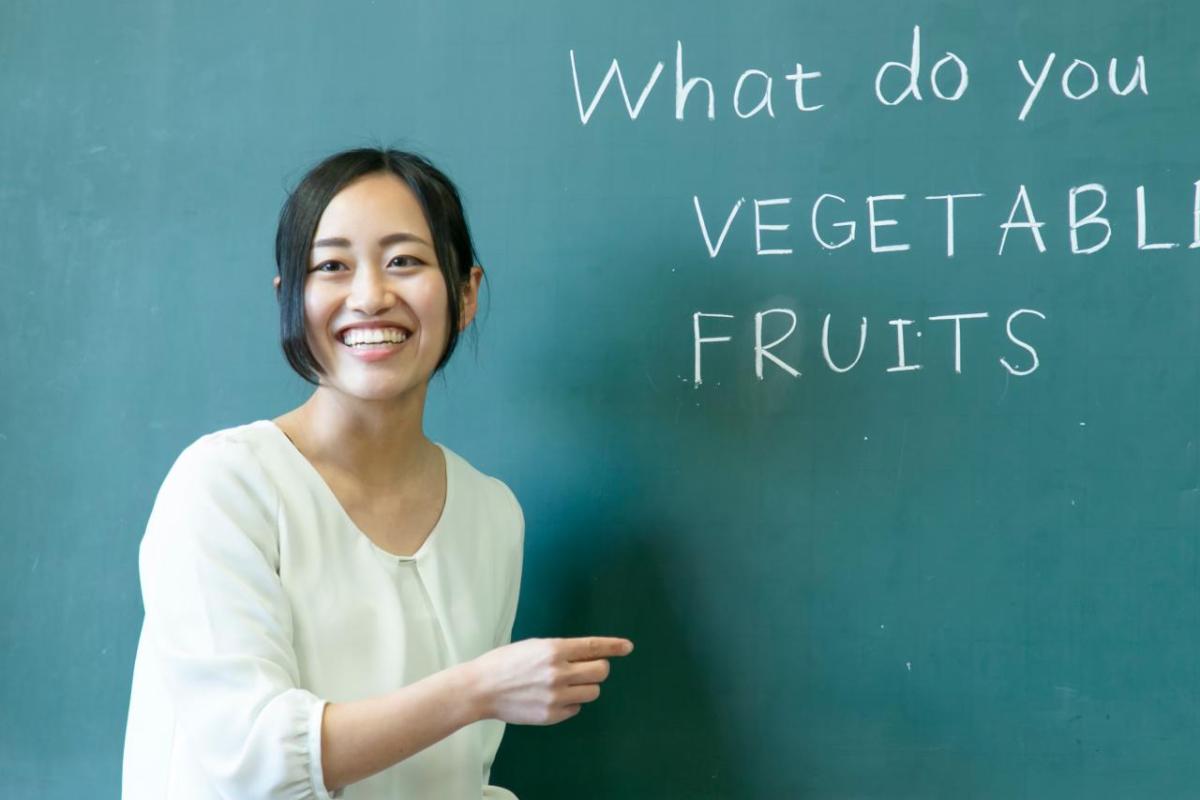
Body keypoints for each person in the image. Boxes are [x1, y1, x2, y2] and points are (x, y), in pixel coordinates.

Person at [121, 147, 634, 799]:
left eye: (405, 262)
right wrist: (478, 689)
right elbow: (248, 761)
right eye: (331, 266)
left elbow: (456, 774)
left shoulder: (490, 512)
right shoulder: (226, 485)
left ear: (467, 292)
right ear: (291, 297)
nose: (370, 296)